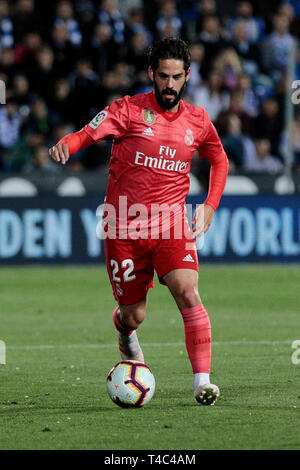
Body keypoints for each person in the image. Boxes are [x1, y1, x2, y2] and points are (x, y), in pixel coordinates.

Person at [49, 37, 229, 405]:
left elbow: (220, 160)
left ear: (187, 76)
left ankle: (202, 382)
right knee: (134, 315)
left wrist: (210, 205)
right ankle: (124, 332)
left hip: (171, 225)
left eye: (176, 77)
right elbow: (88, 132)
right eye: (162, 76)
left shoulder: (198, 120)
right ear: (152, 74)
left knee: (188, 291)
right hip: (124, 228)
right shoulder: (128, 110)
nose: (169, 84)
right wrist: (68, 143)